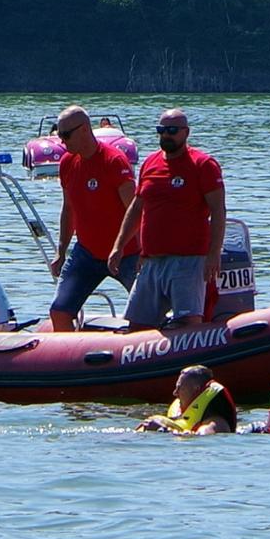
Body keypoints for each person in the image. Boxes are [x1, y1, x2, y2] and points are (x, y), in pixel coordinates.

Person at [110, 109, 225, 330]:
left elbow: (218, 211)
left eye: (172, 130)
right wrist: (119, 246)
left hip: (188, 261)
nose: (166, 135)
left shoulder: (203, 165)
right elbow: (136, 207)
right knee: (136, 327)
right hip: (152, 261)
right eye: (161, 130)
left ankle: (193, 363)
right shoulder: (150, 163)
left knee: (187, 325)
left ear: (186, 133)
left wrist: (213, 254)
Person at [46, 105, 140, 331]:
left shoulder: (113, 161)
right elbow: (68, 209)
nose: (62, 141)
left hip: (126, 254)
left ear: (85, 130)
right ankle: (69, 362)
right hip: (87, 253)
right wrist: (61, 250)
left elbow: (136, 210)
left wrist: (141, 251)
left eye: (66, 135)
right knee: (59, 311)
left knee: (143, 316)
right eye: (59, 136)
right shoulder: (67, 163)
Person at [136, 365, 237, 435]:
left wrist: (162, 430)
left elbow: (201, 440)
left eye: (179, 388)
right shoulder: (181, 412)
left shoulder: (215, 424)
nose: (175, 393)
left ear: (196, 389)